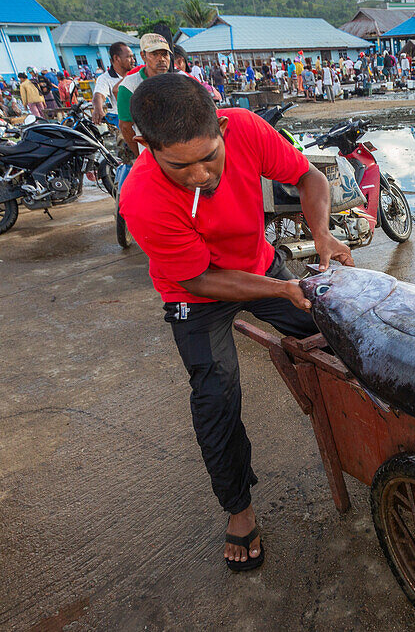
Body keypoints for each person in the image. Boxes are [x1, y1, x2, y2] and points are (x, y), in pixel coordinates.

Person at [118, 73, 353, 572]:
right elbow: (201, 279)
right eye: (180, 166)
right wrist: (280, 288)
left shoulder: (247, 128)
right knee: (216, 392)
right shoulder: (141, 197)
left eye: (209, 157)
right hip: (196, 291)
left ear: (222, 126)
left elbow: (310, 178)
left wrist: (322, 234)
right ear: (146, 146)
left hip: (259, 263)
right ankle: (239, 510)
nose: (200, 175)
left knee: (337, 336)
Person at [116, 33, 173, 157]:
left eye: (164, 54)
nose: (161, 59)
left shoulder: (180, 81)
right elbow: (125, 126)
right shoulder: (130, 86)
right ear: (143, 56)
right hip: (152, 155)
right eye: (154, 54)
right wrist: (141, 157)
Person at [92, 42, 136, 125]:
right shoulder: (105, 78)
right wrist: (98, 109)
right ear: (116, 58)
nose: (133, 60)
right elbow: (99, 95)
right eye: (129, 57)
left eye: (132, 57)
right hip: (125, 123)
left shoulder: (137, 73)